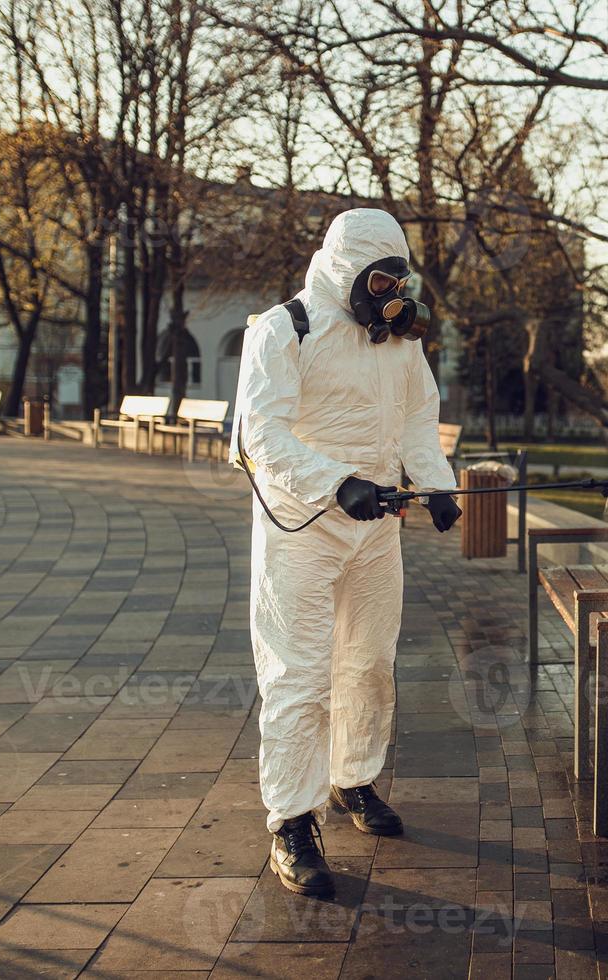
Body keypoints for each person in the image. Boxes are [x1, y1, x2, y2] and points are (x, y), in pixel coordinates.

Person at [231, 208, 461, 898]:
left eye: (398, 277)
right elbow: (260, 436)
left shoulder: (398, 341)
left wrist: (438, 483)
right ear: (344, 269)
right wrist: (337, 484)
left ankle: (352, 778)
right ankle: (291, 822)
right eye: (379, 276)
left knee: (368, 662)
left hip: (377, 524)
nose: (389, 290)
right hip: (303, 526)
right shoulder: (284, 330)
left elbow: (418, 417)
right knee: (298, 676)